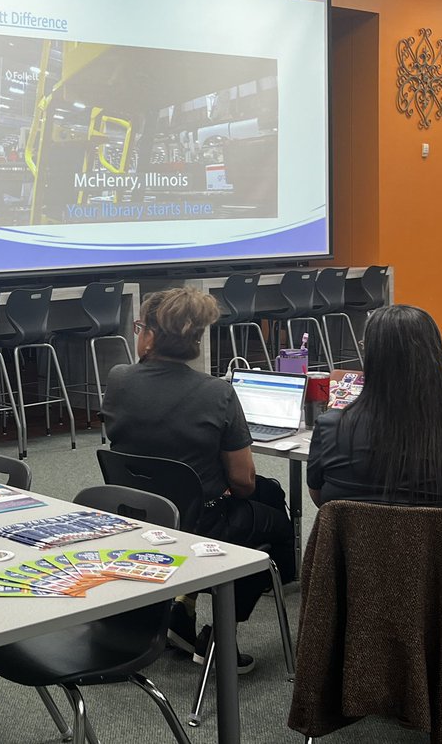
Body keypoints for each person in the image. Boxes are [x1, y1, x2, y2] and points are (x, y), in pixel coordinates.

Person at [101, 287, 296, 674]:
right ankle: (222, 634)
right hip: (201, 524)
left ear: (151, 336)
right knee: (275, 522)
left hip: (137, 516)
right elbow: (242, 483)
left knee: (270, 493)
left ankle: (183, 608)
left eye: (140, 327)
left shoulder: (119, 379)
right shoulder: (217, 393)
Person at [307, 304, 442, 513]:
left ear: (373, 359)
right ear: (435, 358)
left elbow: (322, 501)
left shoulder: (331, 428)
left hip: (356, 546)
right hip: (436, 546)